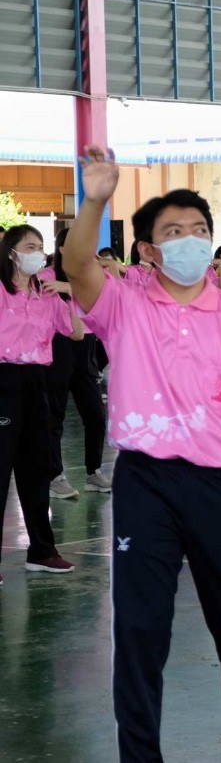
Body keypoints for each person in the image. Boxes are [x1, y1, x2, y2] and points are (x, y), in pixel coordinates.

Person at [67, 148, 221, 763]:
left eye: (200, 230)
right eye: (173, 232)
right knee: (141, 626)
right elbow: (76, 266)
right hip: (146, 483)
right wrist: (94, 199)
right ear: (148, 250)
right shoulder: (123, 305)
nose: (190, 241)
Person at [1, 224, 82, 584]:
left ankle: (42, 551)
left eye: (40, 247)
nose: (38, 253)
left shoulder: (47, 294)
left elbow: (76, 332)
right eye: (30, 247)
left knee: (37, 469)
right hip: (3, 381)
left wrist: (69, 293)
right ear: (11, 253)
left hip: (37, 383)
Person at [44, 227, 111, 498]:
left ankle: (93, 472)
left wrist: (71, 288)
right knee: (54, 415)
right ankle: (54, 476)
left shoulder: (92, 277)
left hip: (86, 346)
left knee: (96, 414)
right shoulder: (45, 277)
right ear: (62, 249)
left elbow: (106, 297)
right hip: (57, 345)